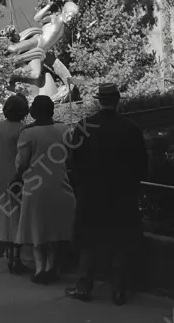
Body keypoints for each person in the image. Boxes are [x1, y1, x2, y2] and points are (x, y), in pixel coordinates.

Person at [65, 83, 148, 304]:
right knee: (121, 242)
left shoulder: (85, 126)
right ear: (118, 101)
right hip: (122, 195)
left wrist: (84, 183)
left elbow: (73, 161)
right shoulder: (130, 128)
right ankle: (118, 290)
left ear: (98, 100)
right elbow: (141, 163)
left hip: (91, 194)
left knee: (89, 241)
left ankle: (83, 286)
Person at [14, 94, 75, 285]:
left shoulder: (28, 134)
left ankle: (40, 268)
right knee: (55, 229)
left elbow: (21, 162)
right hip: (59, 183)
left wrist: (17, 175)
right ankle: (51, 266)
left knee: (37, 229)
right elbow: (71, 154)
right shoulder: (63, 129)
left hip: (35, 186)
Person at [0, 93, 29, 273]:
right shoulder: (24, 130)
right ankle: (16, 257)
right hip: (19, 178)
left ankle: (8, 254)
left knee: (3, 218)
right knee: (18, 218)